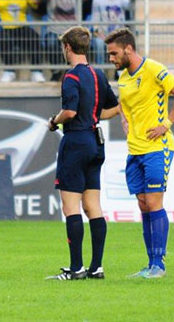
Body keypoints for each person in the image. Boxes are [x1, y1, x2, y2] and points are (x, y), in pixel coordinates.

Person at [104, 28, 174, 278]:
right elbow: (124, 103)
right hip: (135, 149)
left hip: (157, 147)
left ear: (128, 49)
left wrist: (166, 123)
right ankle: (150, 263)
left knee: (154, 202)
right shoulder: (123, 77)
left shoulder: (153, 68)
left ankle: (159, 265)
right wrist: (122, 116)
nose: (111, 58)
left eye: (114, 53)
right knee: (143, 204)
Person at [46, 26, 119, 280]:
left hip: (75, 141)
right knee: (93, 206)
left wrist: (54, 121)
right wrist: (94, 117)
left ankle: (76, 269)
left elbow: (70, 112)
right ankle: (96, 267)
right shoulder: (98, 75)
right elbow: (115, 107)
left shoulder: (71, 77)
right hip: (96, 142)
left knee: (71, 208)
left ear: (67, 47)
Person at [42, 0, 80, 80]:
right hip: (55, 31)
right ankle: (56, 71)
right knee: (51, 41)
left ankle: (71, 73)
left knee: (77, 43)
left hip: (72, 32)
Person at [90, 0, 133, 65]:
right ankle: (100, 69)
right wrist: (98, 34)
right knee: (98, 42)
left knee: (124, 45)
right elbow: (95, 20)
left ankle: (120, 71)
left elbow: (130, 6)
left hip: (118, 36)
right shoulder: (98, 0)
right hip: (103, 35)